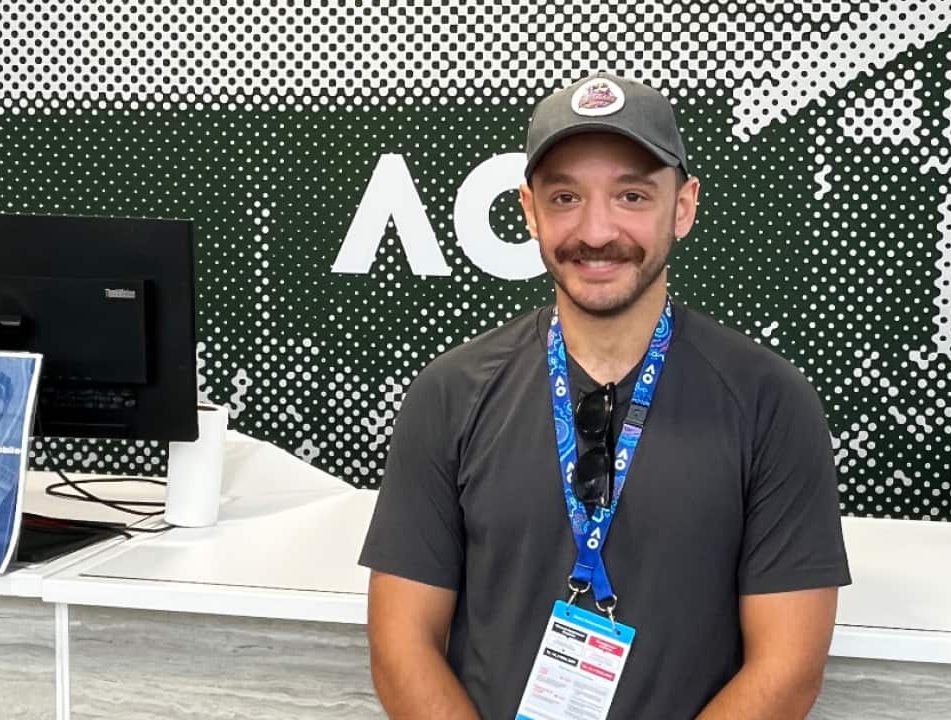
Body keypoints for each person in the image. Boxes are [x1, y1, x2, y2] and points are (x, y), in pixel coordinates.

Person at [360, 72, 851, 720]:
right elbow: (401, 644)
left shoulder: (769, 401)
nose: (595, 231)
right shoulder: (452, 393)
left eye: (631, 195)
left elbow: (786, 672)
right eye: (565, 197)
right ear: (530, 210)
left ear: (683, 206)